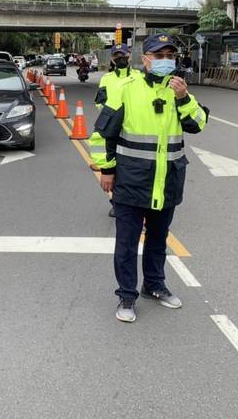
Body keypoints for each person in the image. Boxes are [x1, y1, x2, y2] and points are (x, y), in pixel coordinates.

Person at [94, 34, 208, 323]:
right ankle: (126, 296)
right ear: (144, 59)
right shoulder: (126, 89)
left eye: (170, 56)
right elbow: (103, 133)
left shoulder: (179, 91)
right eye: (158, 56)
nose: (165, 61)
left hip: (167, 180)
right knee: (127, 243)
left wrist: (183, 98)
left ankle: (154, 286)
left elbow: (197, 125)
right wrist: (106, 169)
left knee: (158, 240)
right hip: (132, 180)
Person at [88, 43, 135, 218]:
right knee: (112, 166)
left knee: (130, 168)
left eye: (123, 55)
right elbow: (100, 101)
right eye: (117, 56)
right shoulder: (106, 78)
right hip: (112, 127)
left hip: (133, 126)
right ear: (113, 59)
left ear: (129, 55)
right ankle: (116, 202)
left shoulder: (139, 77)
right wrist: (112, 116)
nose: (121, 58)